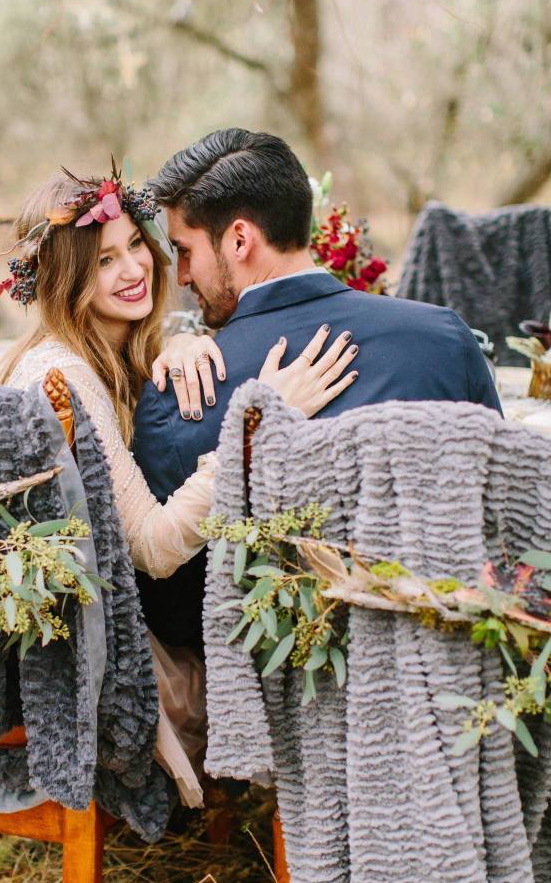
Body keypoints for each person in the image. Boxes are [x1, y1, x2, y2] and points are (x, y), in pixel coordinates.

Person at [0, 165, 358, 808]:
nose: (134, 270)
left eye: (137, 246)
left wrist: (184, 341)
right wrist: (256, 422)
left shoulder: (111, 350)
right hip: (81, 659)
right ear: (63, 279)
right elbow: (154, 548)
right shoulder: (62, 375)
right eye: (103, 260)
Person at [132, 128, 503, 651]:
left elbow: (177, 620)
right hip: (445, 661)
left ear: (240, 240)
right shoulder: (444, 340)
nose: (184, 275)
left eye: (185, 250)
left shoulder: (181, 398)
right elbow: (498, 515)